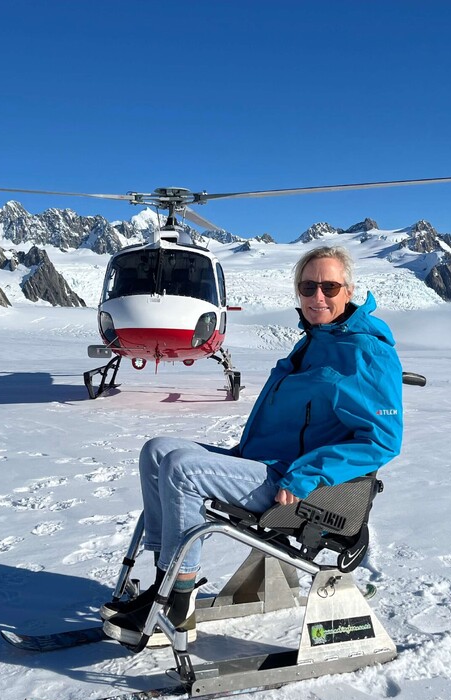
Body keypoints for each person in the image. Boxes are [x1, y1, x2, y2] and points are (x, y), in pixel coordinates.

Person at [102, 246, 404, 646]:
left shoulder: (366, 352)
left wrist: (304, 476)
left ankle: (177, 604)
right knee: (157, 451)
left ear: (348, 291)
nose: (318, 296)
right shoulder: (317, 340)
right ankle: (165, 577)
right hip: (262, 462)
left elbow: (382, 440)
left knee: (181, 468)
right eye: (308, 286)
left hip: (294, 483)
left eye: (329, 287)